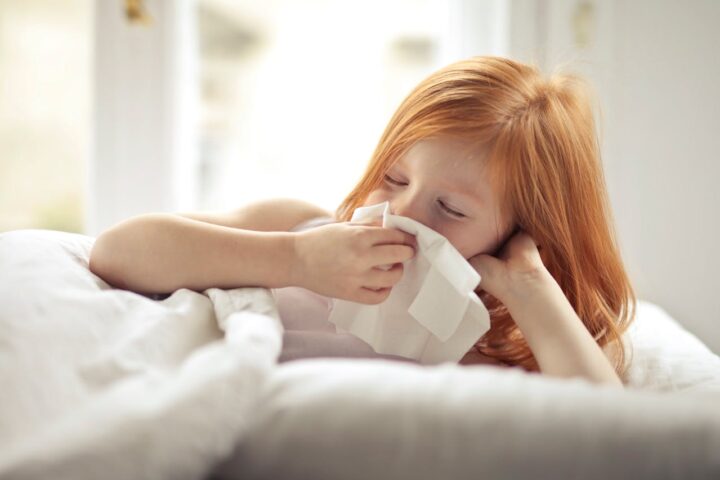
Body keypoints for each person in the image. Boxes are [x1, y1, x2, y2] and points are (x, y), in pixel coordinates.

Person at [89, 56, 635, 387]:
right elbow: (116, 251)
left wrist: (530, 288)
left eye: (450, 210)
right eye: (394, 178)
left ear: (519, 234)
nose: (400, 212)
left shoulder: (486, 345)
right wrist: (294, 260)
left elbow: (611, 437)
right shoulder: (299, 228)